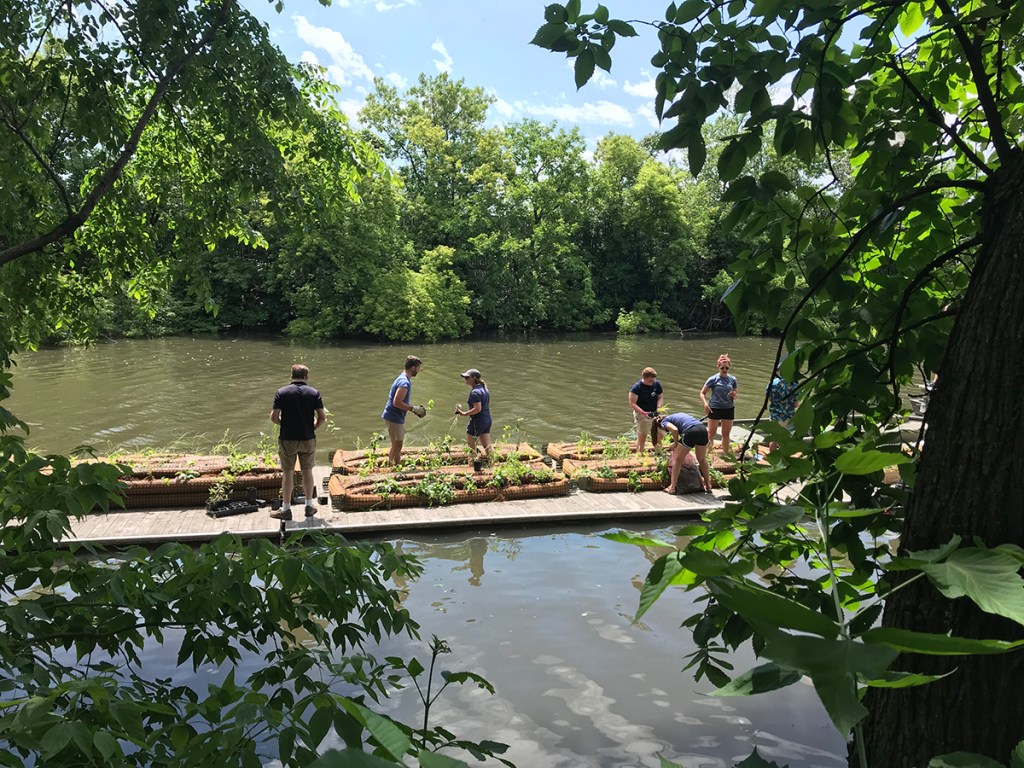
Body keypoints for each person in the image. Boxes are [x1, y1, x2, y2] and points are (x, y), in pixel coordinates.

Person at [269, 364, 326, 521]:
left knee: (288, 473)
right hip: (308, 438)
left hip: (288, 438)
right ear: (306, 377)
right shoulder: (314, 393)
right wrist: (314, 427)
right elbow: (322, 417)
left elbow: (274, 417)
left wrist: (284, 423)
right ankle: (309, 506)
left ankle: (286, 509)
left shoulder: (281, 392)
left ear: (291, 376)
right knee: (307, 471)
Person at [381, 355, 426, 464]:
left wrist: (412, 409)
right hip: (393, 418)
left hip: (393, 417)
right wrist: (413, 409)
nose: (419, 370)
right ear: (413, 368)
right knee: (397, 445)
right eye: (418, 368)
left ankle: (394, 465)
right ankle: (394, 467)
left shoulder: (403, 377)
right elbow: (396, 402)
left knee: (396, 445)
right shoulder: (404, 383)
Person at [656, 412, 712, 494]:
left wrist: (675, 444)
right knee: (702, 460)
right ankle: (708, 485)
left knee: (678, 460)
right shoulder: (677, 415)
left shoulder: (664, 422)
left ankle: (672, 488)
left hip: (691, 431)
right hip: (702, 429)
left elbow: (674, 430)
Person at [700, 354, 738, 452]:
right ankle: (708, 453)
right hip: (715, 408)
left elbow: (735, 394)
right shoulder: (713, 379)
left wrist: (733, 394)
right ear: (718, 367)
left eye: (727, 368)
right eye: (722, 368)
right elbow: (702, 393)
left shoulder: (733, 379)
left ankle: (726, 454)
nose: (724, 370)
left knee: (726, 434)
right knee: (711, 433)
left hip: (728, 408)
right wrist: (705, 404)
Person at [455, 368, 491, 459]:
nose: (465, 379)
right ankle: (493, 463)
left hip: (477, 422)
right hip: (486, 420)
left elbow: (478, 409)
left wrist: (464, 413)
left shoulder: (475, 392)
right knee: (487, 447)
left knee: (471, 449)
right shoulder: (484, 389)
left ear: (474, 378)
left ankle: (471, 466)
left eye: (467, 377)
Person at [628, 367, 664, 452]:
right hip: (642, 415)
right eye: (650, 381)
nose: (653, 382)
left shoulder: (656, 384)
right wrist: (644, 413)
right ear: (644, 378)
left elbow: (660, 397)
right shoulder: (636, 388)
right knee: (642, 437)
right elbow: (632, 403)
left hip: (655, 413)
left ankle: (659, 452)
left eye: (654, 380)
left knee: (659, 435)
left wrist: (658, 408)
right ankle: (640, 454)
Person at [766, 368, 800, 451]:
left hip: (774, 414)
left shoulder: (773, 382)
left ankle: (772, 455)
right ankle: (783, 455)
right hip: (787, 416)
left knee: (774, 437)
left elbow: (769, 398)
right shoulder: (793, 385)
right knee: (785, 437)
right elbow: (795, 404)